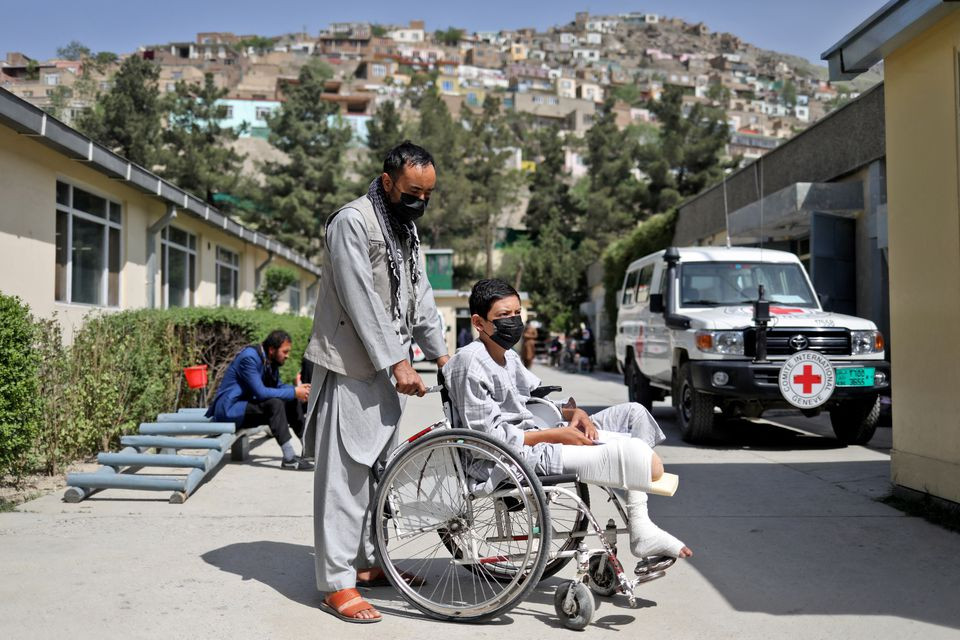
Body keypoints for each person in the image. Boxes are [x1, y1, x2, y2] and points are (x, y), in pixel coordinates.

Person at [442, 279, 693, 572]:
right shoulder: (469, 364)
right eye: (503, 316)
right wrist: (557, 435)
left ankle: (639, 526)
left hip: (542, 434)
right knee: (649, 465)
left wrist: (575, 413)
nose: (513, 321)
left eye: (517, 313)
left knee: (634, 414)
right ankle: (642, 527)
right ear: (478, 322)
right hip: (512, 456)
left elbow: (535, 398)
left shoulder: (508, 357)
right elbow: (488, 439)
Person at [302, 141, 449, 624]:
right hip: (351, 369)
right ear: (387, 182)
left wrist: (440, 352)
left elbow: (420, 294)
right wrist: (397, 362)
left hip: (387, 373)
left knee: (377, 474)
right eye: (412, 192)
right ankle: (336, 584)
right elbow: (358, 298)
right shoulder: (353, 221)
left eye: (427, 195)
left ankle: (367, 563)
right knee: (344, 480)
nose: (419, 203)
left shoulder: (405, 230)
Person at [206, 330, 313, 470]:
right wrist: (294, 391)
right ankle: (289, 458)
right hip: (229, 410)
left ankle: (310, 451)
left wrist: (299, 390)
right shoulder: (249, 358)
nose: (287, 356)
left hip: (246, 407)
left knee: (291, 400)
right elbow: (261, 393)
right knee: (274, 404)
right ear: (272, 350)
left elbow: (277, 386)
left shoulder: (269, 360)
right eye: (285, 352)